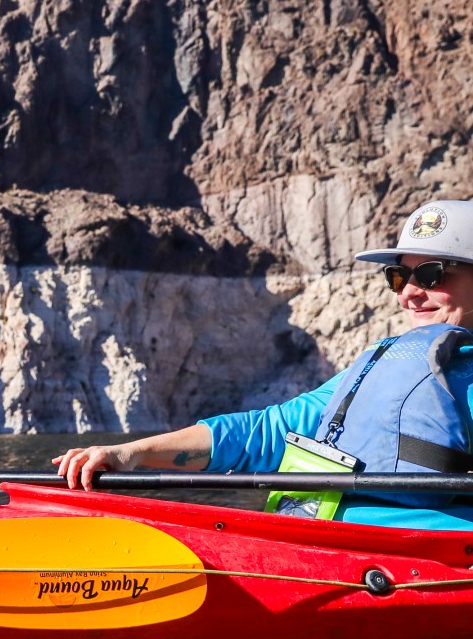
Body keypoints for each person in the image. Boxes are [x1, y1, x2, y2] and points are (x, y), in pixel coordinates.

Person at [53, 199, 473, 529]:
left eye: (432, 275)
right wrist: (131, 453)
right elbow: (268, 431)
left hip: (417, 563)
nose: (408, 295)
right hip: (320, 544)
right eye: (399, 278)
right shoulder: (386, 364)